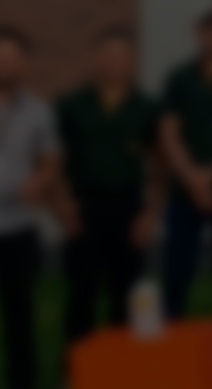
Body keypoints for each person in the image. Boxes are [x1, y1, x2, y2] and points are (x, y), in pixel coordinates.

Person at [57, 29, 161, 343]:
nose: (115, 63)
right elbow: (54, 158)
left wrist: (149, 215)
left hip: (129, 205)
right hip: (83, 205)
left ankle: (122, 365)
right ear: (97, 60)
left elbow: (160, 164)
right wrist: (63, 205)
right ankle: (76, 366)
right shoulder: (73, 105)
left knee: (128, 289)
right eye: (108, 55)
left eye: (122, 56)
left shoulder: (144, 107)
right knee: (82, 288)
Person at [158, 12, 212, 371]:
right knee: (177, 264)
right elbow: (169, 131)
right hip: (184, 189)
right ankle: (169, 340)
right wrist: (193, 178)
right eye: (209, 33)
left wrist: (211, 176)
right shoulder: (181, 78)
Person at [0, 27, 62, 389]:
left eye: (12, 56)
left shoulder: (37, 111)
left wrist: (39, 181)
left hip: (18, 227)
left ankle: (23, 377)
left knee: (19, 312)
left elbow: (51, 158)